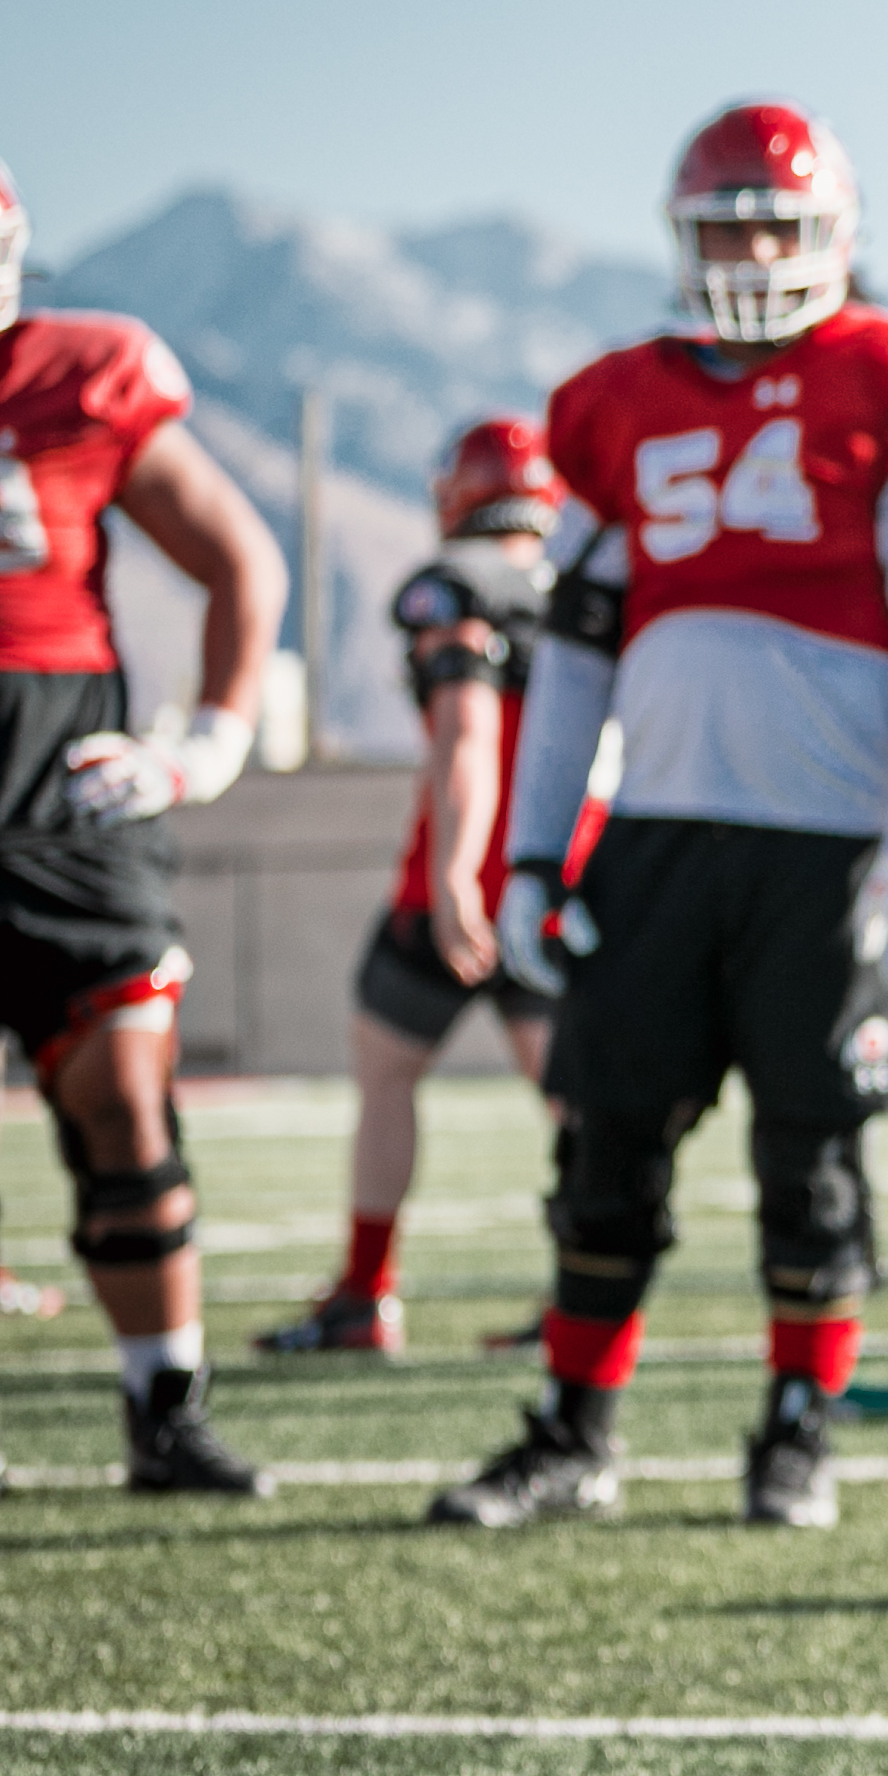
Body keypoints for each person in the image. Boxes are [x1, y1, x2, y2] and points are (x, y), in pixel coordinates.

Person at [432, 101, 888, 1531]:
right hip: (663, 836)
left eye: (776, 222)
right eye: (725, 223)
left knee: (811, 1153)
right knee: (606, 1140)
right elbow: (569, 659)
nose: (750, 249)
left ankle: (796, 1430)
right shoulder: (613, 405)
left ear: (836, 237)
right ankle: (574, 1432)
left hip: (827, 850)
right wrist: (527, 853)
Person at [0, 127, 285, 1513]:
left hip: (63, 791)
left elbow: (236, 559)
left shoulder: (85, 376)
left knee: (124, 1107)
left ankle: (167, 1408)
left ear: (8, 254)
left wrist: (206, 739)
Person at [260, 418, 572, 1358]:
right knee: (570, 1097)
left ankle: (365, 1291)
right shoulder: (582, 587)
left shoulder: (459, 592)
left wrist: (450, 875)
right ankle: (584, 1293)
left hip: (472, 878)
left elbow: (466, 734)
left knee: (386, 1069)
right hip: (566, 869)